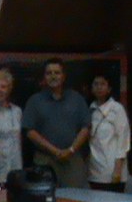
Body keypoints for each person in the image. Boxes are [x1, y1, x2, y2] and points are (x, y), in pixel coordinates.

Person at [22, 58, 90, 188]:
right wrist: (55, 151)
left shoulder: (76, 98)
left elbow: (85, 128)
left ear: (63, 76)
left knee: (76, 197)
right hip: (45, 160)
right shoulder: (34, 101)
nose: (53, 76)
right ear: (44, 77)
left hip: (72, 159)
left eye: (57, 73)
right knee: (45, 197)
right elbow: (30, 132)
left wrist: (70, 150)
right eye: (49, 73)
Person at [88, 73, 130, 192]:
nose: (99, 87)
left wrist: (117, 170)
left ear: (109, 88)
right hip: (94, 170)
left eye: (103, 84)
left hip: (113, 171)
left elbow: (123, 140)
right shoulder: (90, 109)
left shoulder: (117, 108)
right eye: (96, 84)